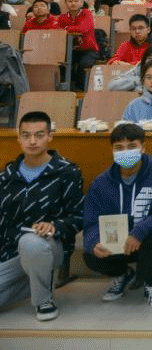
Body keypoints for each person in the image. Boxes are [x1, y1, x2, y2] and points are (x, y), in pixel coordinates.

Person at [0, 111, 84, 321]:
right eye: (26, 135)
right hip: (10, 251)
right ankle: (38, 282)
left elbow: (79, 216)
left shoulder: (67, 172)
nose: (32, 141)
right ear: (18, 138)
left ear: (49, 136)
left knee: (31, 243)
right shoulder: (6, 176)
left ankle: (43, 301)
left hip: (49, 246)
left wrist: (55, 226)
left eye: (39, 135)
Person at [83, 123, 152, 308]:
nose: (125, 152)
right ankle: (123, 274)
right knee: (90, 254)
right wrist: (93, 242)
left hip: (147, 239)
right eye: (119, 148)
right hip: (117, 242)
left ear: (143, 147)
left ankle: (150, 284)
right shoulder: (100, 183)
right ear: (112, 150)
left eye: (132, 146)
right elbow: (90, 222)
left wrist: (139, 231)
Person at [57, 0, 101, 90]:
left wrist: (66, 28)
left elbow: (83, 28)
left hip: (88, 50)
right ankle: (68, 89)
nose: (73, 3)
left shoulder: (86, 13)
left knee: (83, 65)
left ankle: (81, 90)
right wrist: (69, 29)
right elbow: (57, 30)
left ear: (81, 2)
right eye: (70, 1)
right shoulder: (63, 17)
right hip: (70, 50)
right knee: (61, 64)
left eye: (76, 1)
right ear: (65, 3)